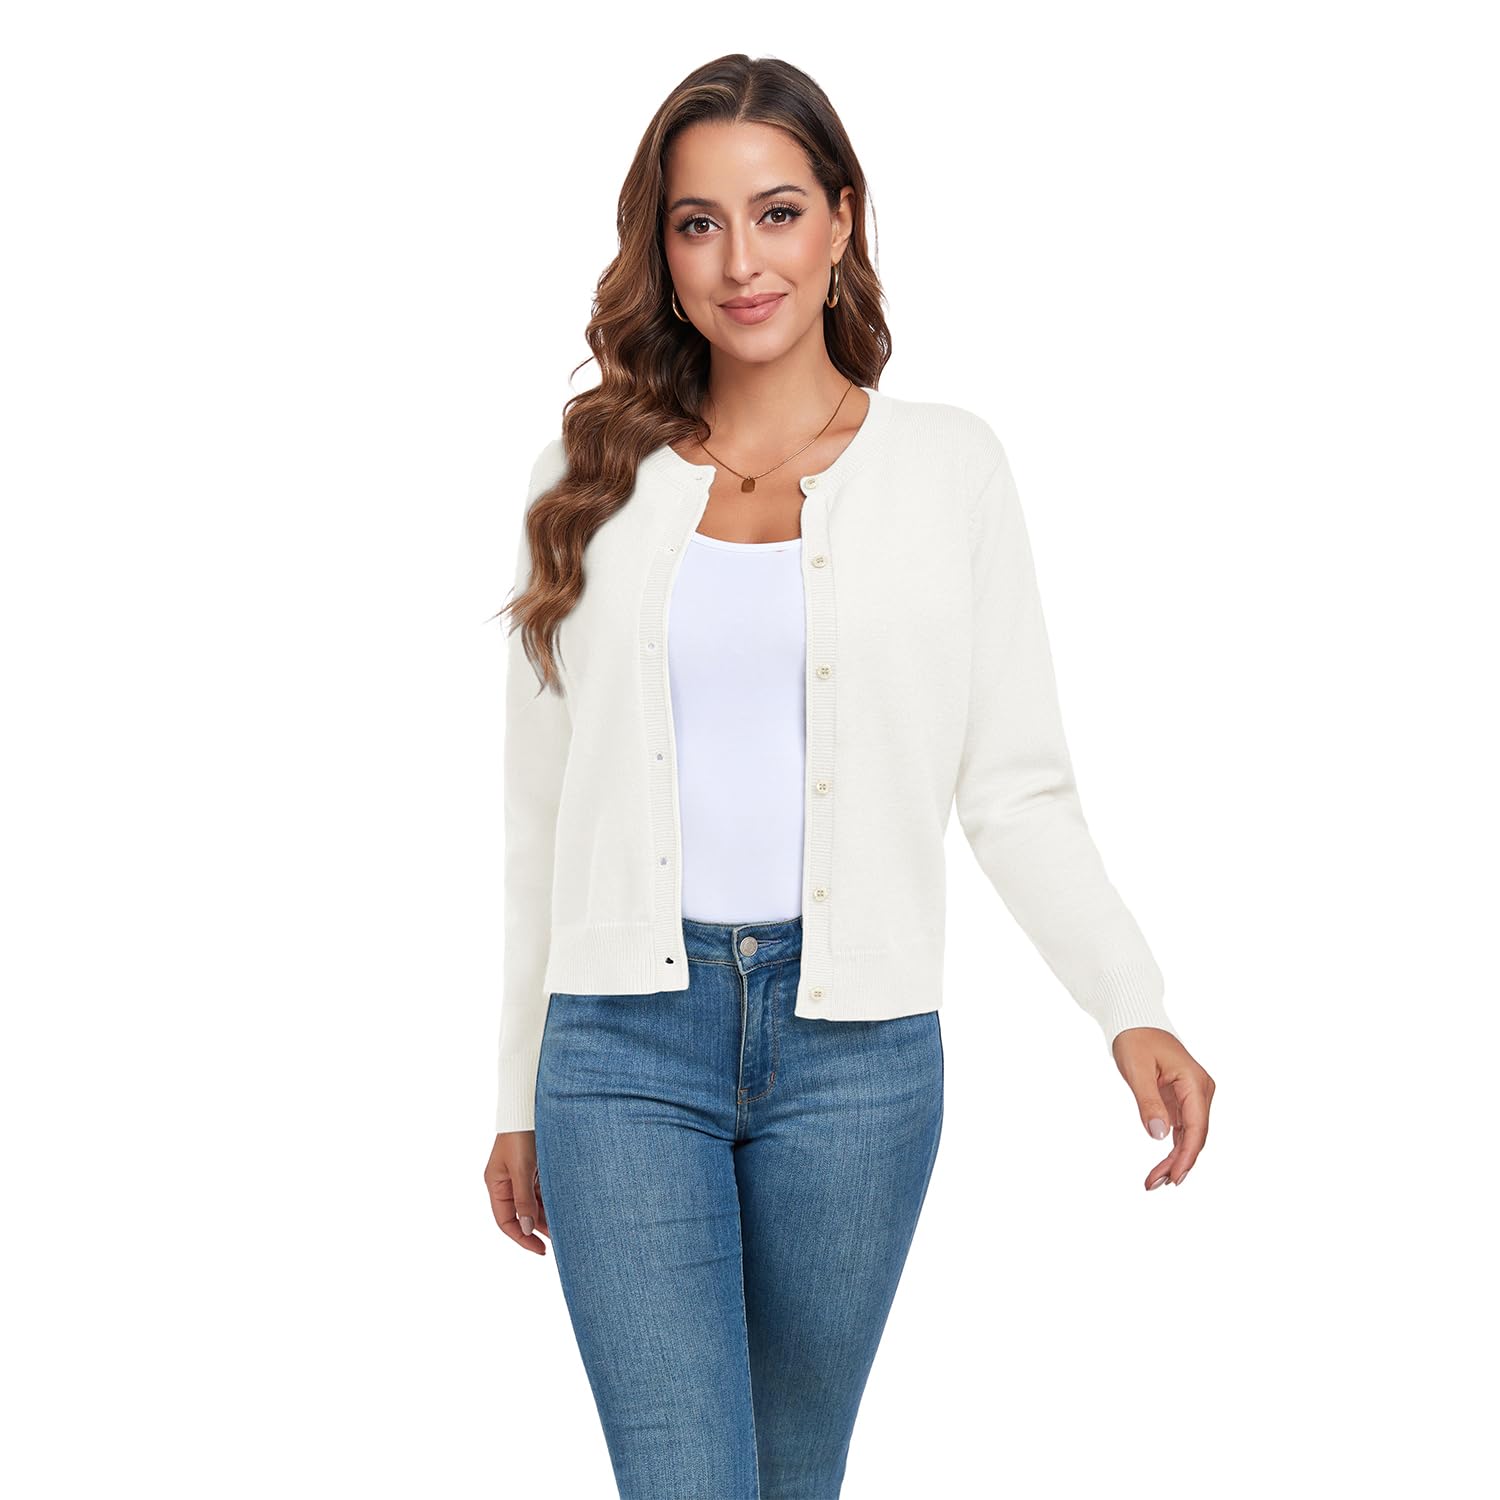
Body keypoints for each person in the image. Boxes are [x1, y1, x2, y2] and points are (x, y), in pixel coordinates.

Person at [482, 51, 1215, 1500]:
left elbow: (1014, 785)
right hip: (621, 1049)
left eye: (776, 213)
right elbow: (538, 822)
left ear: (841, 220)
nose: (740, 262)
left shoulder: (950, 470)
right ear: (661, 250)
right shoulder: (587, 479)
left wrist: (1129, 1002)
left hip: (858, 1060)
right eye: (698, 224)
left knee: (793, 1480)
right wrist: (516, 1088)